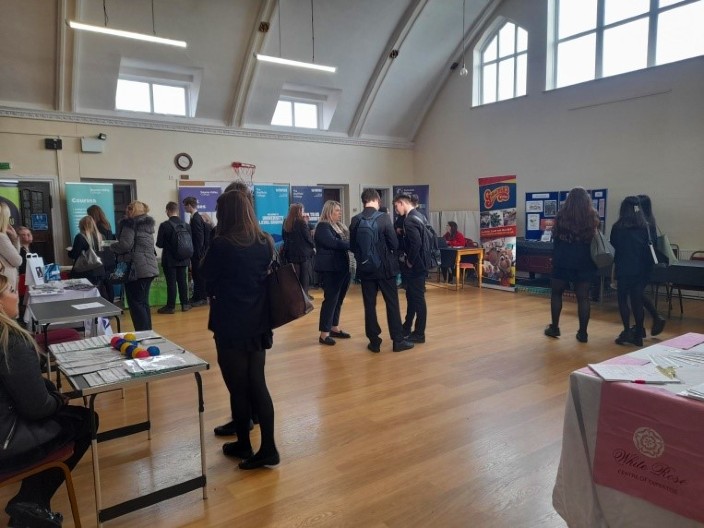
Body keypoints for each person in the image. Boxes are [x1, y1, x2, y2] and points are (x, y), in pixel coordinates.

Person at [0, 274, 96, 528]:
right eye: (10, 289)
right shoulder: (9, 339)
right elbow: (36, 408)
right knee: (85, 420)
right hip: (5, 442)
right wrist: (57, 399)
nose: (16, 293)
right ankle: (32, 501)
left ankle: (30, 501)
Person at [202, 190, 279, 470]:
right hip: (258, 321)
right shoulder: (264, 241)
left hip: (230, 323)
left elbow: (205, 280)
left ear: (227, 214)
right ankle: (268, 447)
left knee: (237, 386)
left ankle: (245, 443)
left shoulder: (222, 244)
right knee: (258, 383)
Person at [349, 189, 414, 353]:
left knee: (369, 306)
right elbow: (394, 244)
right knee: (392, 303)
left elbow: (352, 246)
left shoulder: (355, 220)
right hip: (385, 269)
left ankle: (374, 341)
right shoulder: (384, 218)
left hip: (365, 270)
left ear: (363, 201)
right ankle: (398, 341)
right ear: (377, 200)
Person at [544, 187, 599, 343]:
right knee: (583, 298)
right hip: (585, 262)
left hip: (562, 260)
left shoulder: (561, 216)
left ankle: (554, 327)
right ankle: (583, 333)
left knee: (556, 294)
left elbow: (555, 237)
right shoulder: (592, 217)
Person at [610, 196, 654, 347]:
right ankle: (638, 336)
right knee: (637, 301)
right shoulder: (646, 226)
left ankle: (627, 331)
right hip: (641, 268)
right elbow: (651, 244)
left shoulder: (617, 227)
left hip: (623, 267)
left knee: (622, 300)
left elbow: (614, 244)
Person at [110, 201, 159, 331]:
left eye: (127, 209)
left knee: (136, 304)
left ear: (131, 211)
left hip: (136, 269)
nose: (125, 212)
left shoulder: (130, 225)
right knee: (143, 303)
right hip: (148, 268)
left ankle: (143, 333)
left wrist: (111, 246)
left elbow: (125, 245)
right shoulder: (147, 227)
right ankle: (147, 332)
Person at [314, 200, 351, 346]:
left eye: (340, 211)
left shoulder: (338, 226)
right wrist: (352, 244)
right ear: (329, 212)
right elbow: (333, 243)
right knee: (330, 300)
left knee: (339, 300)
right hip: (331, 269)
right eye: (337, 211)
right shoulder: (323, 226)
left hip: (342, 268)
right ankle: (324, 334)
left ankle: (334, 328)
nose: (339, 213)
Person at [393, 194, 429, 343]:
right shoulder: (419, 216)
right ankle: (407, 326)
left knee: (418, 299)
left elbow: (416, 244)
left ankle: (419, 333)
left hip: (416, 266)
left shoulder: (409, 220)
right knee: (412, 297)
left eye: (396, 206)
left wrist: (409, 262)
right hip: (421, 264)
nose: (396, 210)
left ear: (402, 203)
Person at [636, 194, 666, 337]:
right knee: (637, 294)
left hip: (641, 264)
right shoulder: (650, 222)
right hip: (645, 264)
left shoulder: (644, 224)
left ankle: (653, 319)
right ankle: (645, 323)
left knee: (637, 294)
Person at [155, 201, 192, 314]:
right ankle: (185, 304)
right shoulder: (186, 225)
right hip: (184, 258)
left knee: (171, 283)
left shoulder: (165, 225)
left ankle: (170, 307)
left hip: (170, 260)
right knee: (182, 282)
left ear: (167, 211)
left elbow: (159, 244)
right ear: (177, 211)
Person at [282, 203, 315, 300]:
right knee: (304, 276)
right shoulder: (301, 222)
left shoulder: (286, 222)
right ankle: (305, 297)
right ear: (299, 211)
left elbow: (284, 237)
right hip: (303, 253)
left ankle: (295, 297)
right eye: (303, 210)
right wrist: (313, 246)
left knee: (295, 276)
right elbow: (307, 237)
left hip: (291, 254)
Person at [67, 216, 107, 297]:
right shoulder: (101, 237)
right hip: (99, 270)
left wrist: (69, 251)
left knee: (85, 296)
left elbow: (74, 255)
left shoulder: (80, 237)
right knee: (98, 295)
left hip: (85, 271)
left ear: (82, 226)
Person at [182, 196, 208, 306]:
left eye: (185, 205)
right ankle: (197, 296)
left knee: (198, 276)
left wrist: (197, 254)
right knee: (196, 276)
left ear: (189, 205)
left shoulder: (196, 218)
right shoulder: (195, 217)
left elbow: (199, 238)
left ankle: (201, 298)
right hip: (197, 253)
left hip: (198, 254)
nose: (184, 208)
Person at [87, 204, 117, 300]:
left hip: (102, 258)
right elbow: (109, 243)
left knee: (102, 285)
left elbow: (102, 243)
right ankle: (111, 306)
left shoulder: (98, 227)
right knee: (108, 284)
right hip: (109, 257)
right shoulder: (107, 224)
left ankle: (107, 306)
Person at [0, 203, 22, 290]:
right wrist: (15, 239)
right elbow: (17, 261)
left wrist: (14, 239)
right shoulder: (1, 237)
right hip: (5, 282)